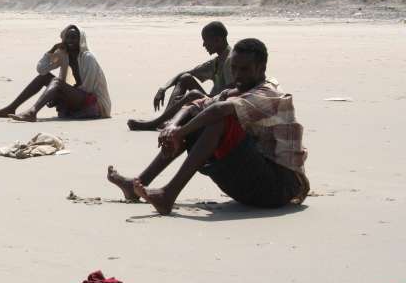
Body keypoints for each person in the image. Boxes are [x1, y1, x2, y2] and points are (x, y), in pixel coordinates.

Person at [107, 38, 309, 215]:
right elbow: (195, 104)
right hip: (252, 182)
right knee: (198, 114)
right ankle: (138, 183)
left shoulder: (269, 93)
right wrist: (174, 127)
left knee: (219, 119)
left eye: (245, 69)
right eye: (234, 68)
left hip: (278, 188)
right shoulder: (238, 90)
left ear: (262, 68)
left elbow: (220, 110)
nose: (238, 75)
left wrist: (180, 132)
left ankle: (167, 195)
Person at [0, 25, 111, 122]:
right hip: (79, 96)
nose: (70, 40)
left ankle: (32, 112)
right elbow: (41, 69)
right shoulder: (65, 55)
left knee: (56, 83)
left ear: (80, 39)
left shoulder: (87, 57)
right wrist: (51, 52)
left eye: (74, 37)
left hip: (94, 103)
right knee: (44, 77)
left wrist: (61, 94)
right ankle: (11, 107)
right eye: (67, 37)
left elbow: (88, 88)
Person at [128, 21, 233, 131]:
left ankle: (155, 123)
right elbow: (185, 73)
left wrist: (204, 97)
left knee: (193, 94)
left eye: (205, 40)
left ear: (218, 40)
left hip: (221, 105)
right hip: (213, 99)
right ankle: (164, 120)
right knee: (185, 78)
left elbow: (231, 90)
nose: (204, 44)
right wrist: (163, 88)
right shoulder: (217, 61)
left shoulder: (231, 60)